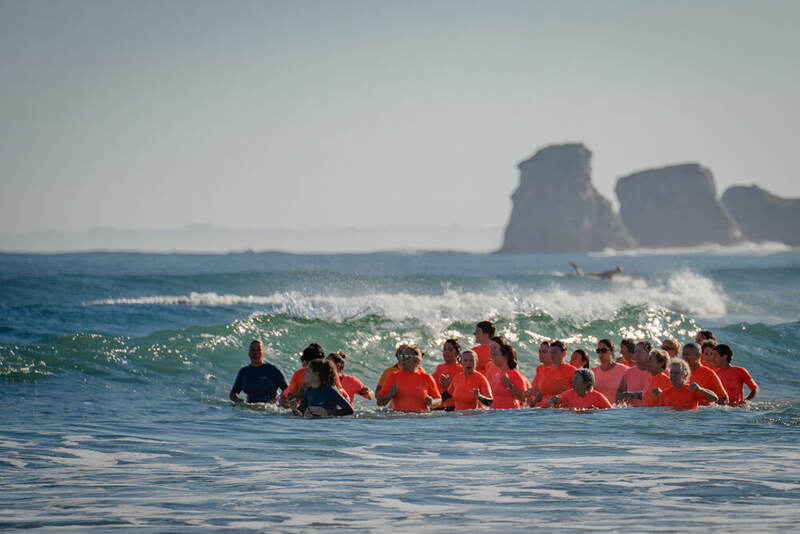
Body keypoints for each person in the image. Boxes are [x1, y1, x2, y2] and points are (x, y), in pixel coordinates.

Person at [376, 345, 441, 412]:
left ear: (416, 361)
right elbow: (379, 402)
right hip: (399, 418)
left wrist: (432, 402)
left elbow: (438, 400)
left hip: (420, 418)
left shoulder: (427, 377)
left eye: (407, 356)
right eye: (402, 356)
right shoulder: (393, 376)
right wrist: (389, 395)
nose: (403, 359)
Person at [653, 358, 718, 410]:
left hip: (689, 424)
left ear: (685, 374)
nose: (673, 375)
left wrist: (700, 389)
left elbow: (715, 398)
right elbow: (659, 414)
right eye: (671, 373)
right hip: (671, 424)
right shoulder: (665, 393)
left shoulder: (692, 390)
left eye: (676, 373)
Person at [527, 340, 577, 407]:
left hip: (561, 410)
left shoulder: (572, 371)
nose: (551, 355)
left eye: (554, 352)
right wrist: (533, 402)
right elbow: (542, 392)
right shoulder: (546, 370)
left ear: (564, 353)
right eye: (550, 352)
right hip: (542, 409)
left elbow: (578, 392)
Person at [591, 339, 628, 404]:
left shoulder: (624, 370)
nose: (600, 353)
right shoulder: (593, 372)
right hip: (599, 411)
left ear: (612, 351)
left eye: (604, 350)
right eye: (598, 351)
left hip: (618, 411)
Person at [492, 341, 527, 410]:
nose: (493, 357)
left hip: (510, 415)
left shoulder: (515, 374)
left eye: (496, 355)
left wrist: (509, 384)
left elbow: (523, 397)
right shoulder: (497, 375)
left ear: (505, 357)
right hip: (496, 415)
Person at [616, 341, 651, 406]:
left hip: (652, 411)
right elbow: (619, 391)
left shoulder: (658, 371)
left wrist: (635, 395)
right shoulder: (628, 372)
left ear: (649, 353)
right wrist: (623, 398)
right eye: (635, 352)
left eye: (639, 352)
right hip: (632, 413)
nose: (636, 355)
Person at [432, 339, 463, 409]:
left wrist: (450, 385)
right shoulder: (439, 368)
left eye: (450, 350)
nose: (446, 352)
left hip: (453, 408)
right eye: (444, 349)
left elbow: (465, 392)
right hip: (437, 408)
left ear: (457, 353)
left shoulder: (461, 369)